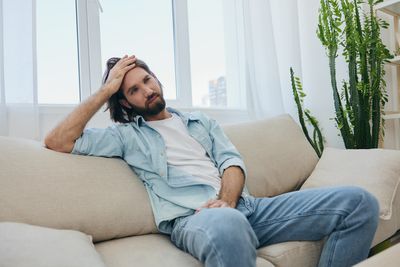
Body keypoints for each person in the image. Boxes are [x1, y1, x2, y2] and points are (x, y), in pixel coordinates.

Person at [45, 55, 380, 267]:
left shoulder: (200, 121)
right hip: (195, 219)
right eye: (131, 90)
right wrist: (105, 90)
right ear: (126, 103)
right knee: (228, 224)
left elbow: (231, 162)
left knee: (359, 202)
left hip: (248, 208)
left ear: (157, 79)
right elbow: (58, 141)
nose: (145, 90)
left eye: (146, 80)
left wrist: (227, 201)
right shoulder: (125, 137)